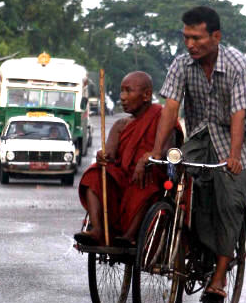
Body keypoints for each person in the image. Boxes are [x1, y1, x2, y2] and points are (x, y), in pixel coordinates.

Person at [150, 6, 246, 303]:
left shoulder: (237, 64)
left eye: (197, 38)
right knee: (174, 178)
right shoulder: (182, 64)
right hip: (199, 136)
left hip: (236, 139)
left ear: (215, 37)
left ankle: (218, 277)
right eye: (186, 38)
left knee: (230, 200)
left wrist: (233, 157)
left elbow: (239, 114)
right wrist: (156, 151)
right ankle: (180, 242)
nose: (190, 44)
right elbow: (170, 108)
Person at [74, 71, 182, 247]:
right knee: (94, 173)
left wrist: (147, 159)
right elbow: (109, 154)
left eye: (128, 91)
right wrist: (103, 156)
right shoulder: (121, 124)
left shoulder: (162, 119)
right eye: (121, 91)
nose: (122, 97)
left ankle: (130, 235)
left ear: (146, 95)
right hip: (122, 176)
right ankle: (97, 229)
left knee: (146, 184)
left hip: (148, 175)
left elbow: (166, 150)